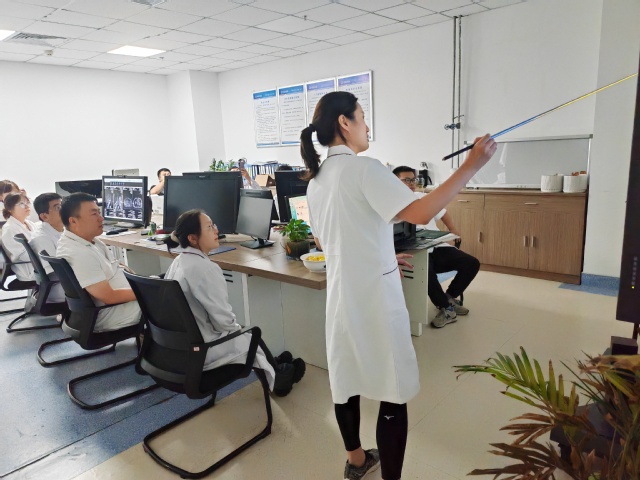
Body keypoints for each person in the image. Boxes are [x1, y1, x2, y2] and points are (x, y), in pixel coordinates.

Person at [300, 91, 496, 480]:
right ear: (344, 123)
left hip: (341, 299)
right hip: (375, 300)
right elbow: (421, 212)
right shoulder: (365, 169)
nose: (366, 125)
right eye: (362, 117)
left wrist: (381, 255)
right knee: (393, 391)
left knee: (346, 380)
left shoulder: (316, 182)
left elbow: (329, 239)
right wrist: (471, 165)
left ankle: (357, 462)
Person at [164, 209, 305, 396]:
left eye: (214, 225)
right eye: (209, 227)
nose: (216, 230)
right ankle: (280, 382)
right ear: (193, 238)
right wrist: (238, 329)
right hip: (204, 351)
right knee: (249, 336)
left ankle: (273, 364)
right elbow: (224, 323)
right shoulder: (206, 269)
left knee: (247, 337)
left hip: (181, 348)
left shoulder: (179, 261)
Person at [393, 166, 481, 328]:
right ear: (394, 182)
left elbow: (442, 213)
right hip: (414, 250)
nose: (411, 183)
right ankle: (446, 308)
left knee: (471, 263)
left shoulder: (421, 197)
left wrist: (453, 229)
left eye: (413, 180)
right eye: (406, 180)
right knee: (425, 270)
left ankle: (449, 298)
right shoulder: (391, 203)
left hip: (437, 245)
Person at [56, 193, 141, 332]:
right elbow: (109, 297)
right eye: (94, 214)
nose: (101, 218)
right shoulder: (79, 253)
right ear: (73, 221)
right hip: (111, 313)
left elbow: (117, 266)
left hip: (120, 304)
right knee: (172, 299)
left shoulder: (88, 240)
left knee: (166, 288)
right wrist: (146, 293)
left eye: (99, 213)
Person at [30, 192, 66, 303]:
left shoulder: (58, 231)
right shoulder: (42, 239)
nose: (64, 210)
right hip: (60, 288)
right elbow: (56, 272)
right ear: (44, 216)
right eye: (58, 208)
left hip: (65, 284)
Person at [2, 192, 37, 282]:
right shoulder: (9, 229)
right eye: (21, 204)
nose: (27, 206)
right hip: (29, 269)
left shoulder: (30, 224)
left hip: (39, 263)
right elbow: (23, 256)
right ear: (10, 209)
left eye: (27, 203)